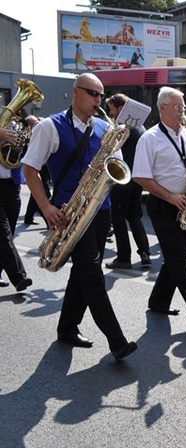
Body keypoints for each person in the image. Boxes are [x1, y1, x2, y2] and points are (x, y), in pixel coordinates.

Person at [21, 73, 137, 361]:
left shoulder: (105, 127)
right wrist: (46, 207)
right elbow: (30, 169)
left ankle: (67, 327)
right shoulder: (50, 126)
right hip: (70, 213)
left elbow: (117, 165)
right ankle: (117, 340)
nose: (99, 100)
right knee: (92, 273)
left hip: (101, 209)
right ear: (75, 92)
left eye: (101, 95)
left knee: (83, 272)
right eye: (92, 93)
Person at [132, 86, 186, 328]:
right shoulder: (149, 138)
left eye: (183, 107)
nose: (183, 111)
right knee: (179, 258)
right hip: (163, 205)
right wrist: (170, 197)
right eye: (178, 107)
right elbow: (140, 176)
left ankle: (158, 301)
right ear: (163, 108)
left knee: (173, 258)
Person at [104, 93, 151, 270]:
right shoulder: (141, 128)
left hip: (123, 179)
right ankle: (145, 253)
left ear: (121, 108)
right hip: (137, 178)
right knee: (133, 214)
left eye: (112, 109)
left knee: (117, 217)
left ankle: (123, 257)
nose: (111, 113)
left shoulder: (122, 129)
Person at [0, 126, 32, 293]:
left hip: (12, 186)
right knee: (4, 236)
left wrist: (22, 140)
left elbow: (23, 152)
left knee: (8, 235)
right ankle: (19, 277)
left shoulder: (10, 124)